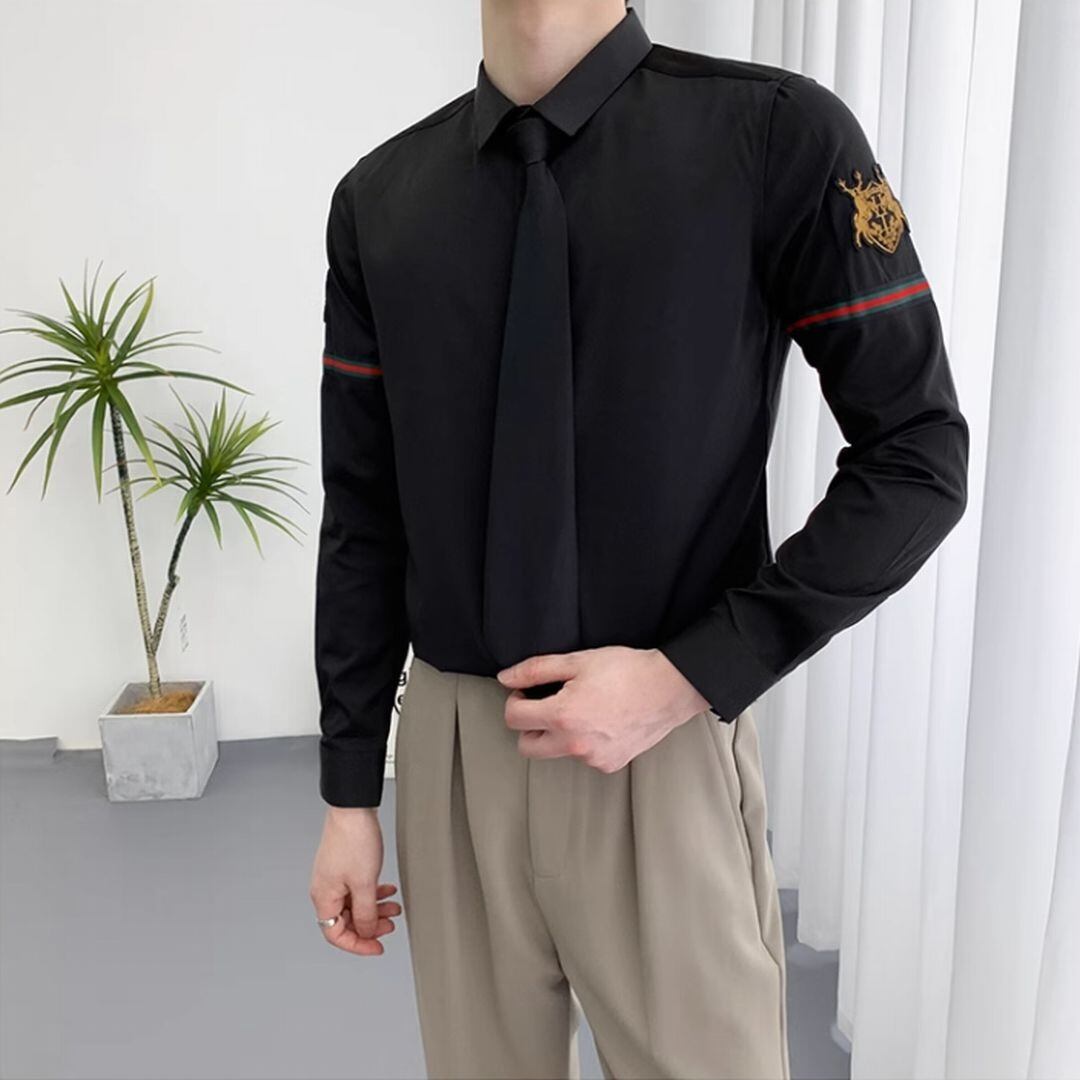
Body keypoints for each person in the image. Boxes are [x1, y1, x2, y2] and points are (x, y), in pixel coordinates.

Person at [308, 2, 969, 1077]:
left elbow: (918, 451)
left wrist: (690, 674)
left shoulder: (777, 135)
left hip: (664, 749)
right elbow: (364, 514)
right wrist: (348, 793)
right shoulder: (380, 200)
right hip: (454, 758)